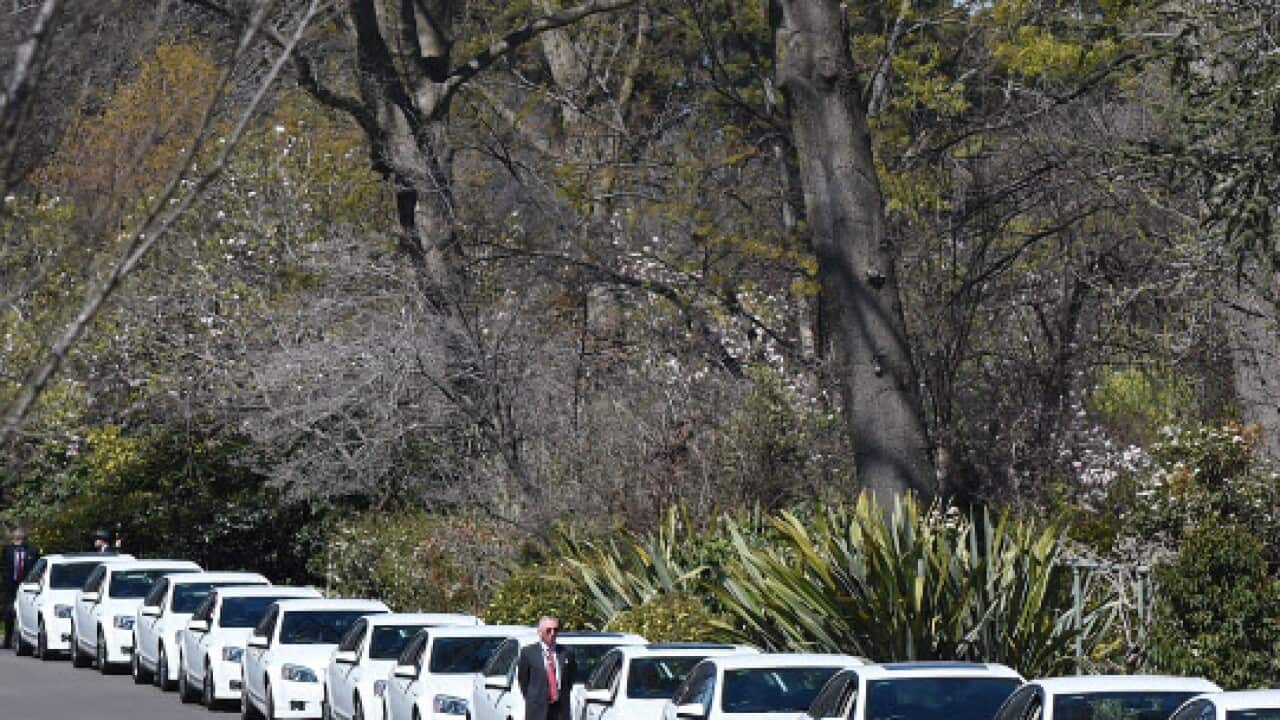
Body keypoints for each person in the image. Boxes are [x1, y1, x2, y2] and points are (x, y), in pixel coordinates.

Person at [517, 616, 576, 720]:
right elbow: (523, 681)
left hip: (560, 709)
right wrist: (534, 698)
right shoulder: (528, 652)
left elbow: (570, 678)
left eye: (555, 630)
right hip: (537, 709)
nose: (552, 633)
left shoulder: (566, 652)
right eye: (548, 630)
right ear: (540, 632)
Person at [1, 527, 39, 649]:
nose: (18, 536)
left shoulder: (32, 550)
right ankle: (8, 640)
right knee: (9, 613)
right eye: (16, 534)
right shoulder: (7, 550)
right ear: (13, 536)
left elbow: (36, 568)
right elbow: (4, 567)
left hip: (27, 586)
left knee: (27, 611)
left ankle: (28, 640)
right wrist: (6, 581)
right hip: (11, 587)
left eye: (20, 534)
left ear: (24, 536)